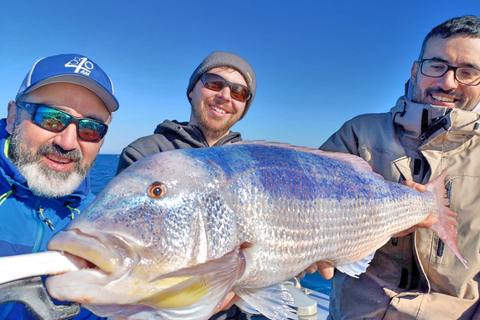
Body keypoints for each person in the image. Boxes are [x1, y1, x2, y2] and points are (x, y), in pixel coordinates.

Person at [315, 15, 480, 319]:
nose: (447, 82)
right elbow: (311, 202)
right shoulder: (359, 133)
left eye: (468, 72)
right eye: (437, 66)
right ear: (417, 71)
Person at [0, 54, 119, 319]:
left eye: (90, 128)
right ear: (12, 117)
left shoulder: (101, 222)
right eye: (51, 118)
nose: (67, 142)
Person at [115, 50, 256, 175]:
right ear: (191, 91)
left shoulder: (254, 162)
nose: (225, 96)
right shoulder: (144, 154)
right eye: (214, 83)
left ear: (244, 108)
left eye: (239, 93)